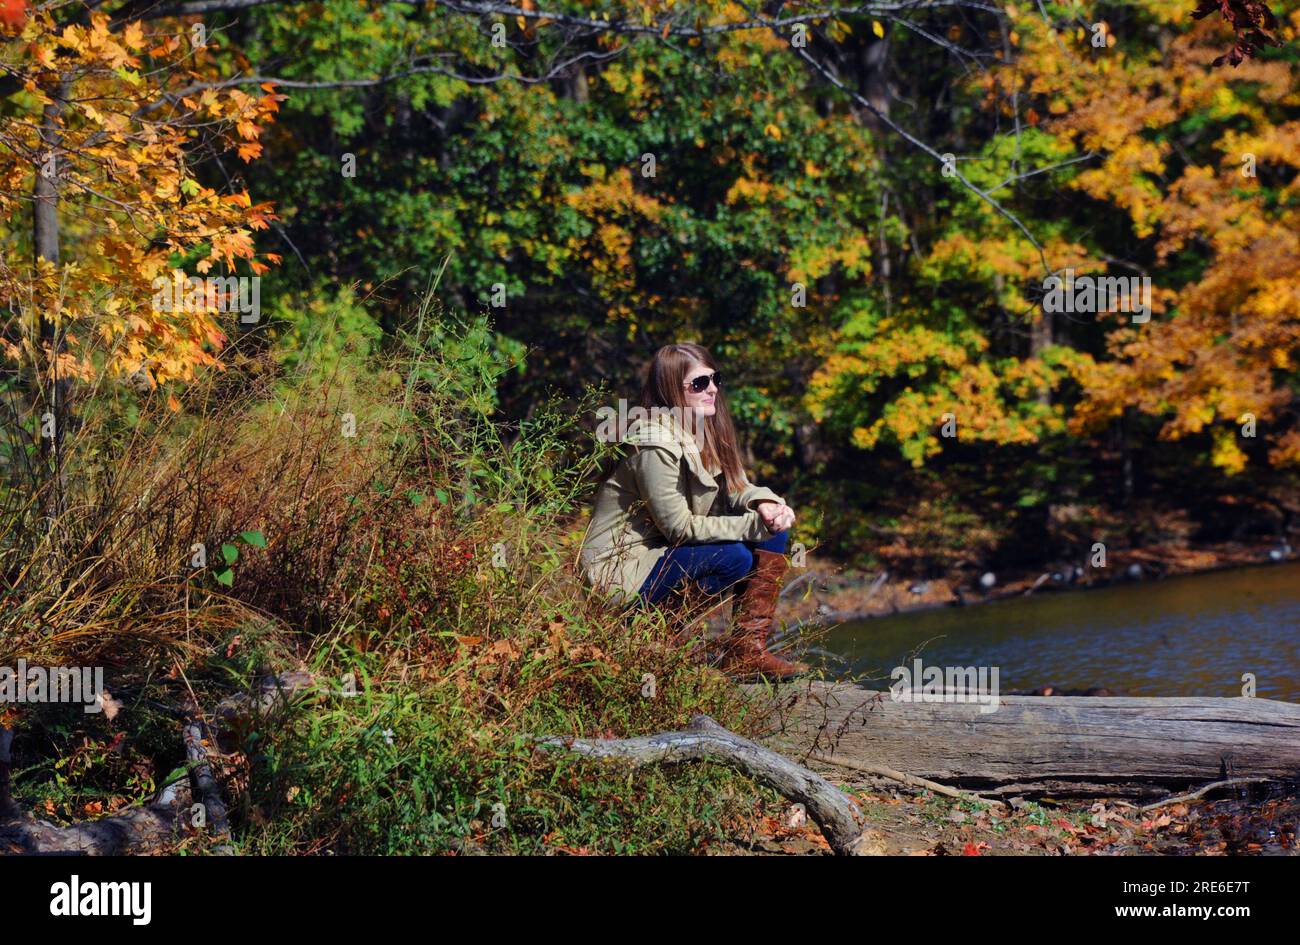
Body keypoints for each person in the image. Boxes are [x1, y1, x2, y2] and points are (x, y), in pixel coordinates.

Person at [580, 342, 808, 680]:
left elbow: (737, 486)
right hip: (623, 569)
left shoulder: (702, 431)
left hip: (659, 556)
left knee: (772, 531)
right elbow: (679, 529)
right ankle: (646, 639)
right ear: (672, 389)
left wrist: (767, 506)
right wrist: (753, 528)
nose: (713, 389)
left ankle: (747, 652)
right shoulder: (654, 441)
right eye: (699, 383)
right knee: (734, 557)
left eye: (715, 379)